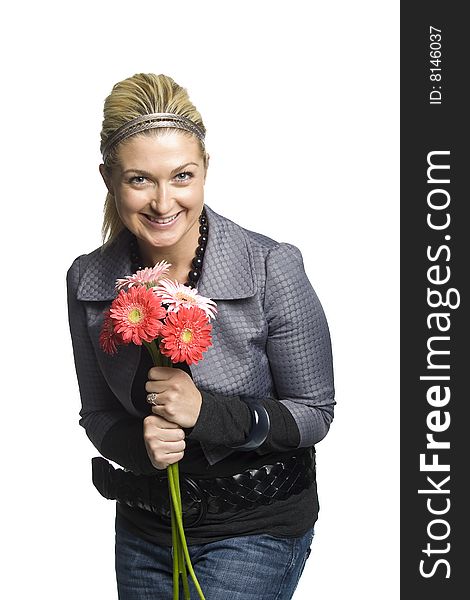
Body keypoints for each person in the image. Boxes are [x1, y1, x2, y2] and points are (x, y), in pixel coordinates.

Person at [66, 72, 336, 600]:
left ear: (206, 170)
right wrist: (137, 446)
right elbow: (97, 414)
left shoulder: (270, 267)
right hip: (146, 527)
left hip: (256, 526)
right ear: (108, 179)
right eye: (140, 179)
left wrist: (209, 414)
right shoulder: (88, 279)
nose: (164, 202)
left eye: (182, 176)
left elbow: (314, 413)